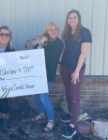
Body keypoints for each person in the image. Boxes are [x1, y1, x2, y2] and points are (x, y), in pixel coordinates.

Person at [59, 10, 92, 138]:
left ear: (79, 19)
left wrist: (77, 71)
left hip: (76, 69)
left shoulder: (85, 32)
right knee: (67, 92)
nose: (72, 20)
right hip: (65, 66)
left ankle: (72, 127)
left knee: (75, 96)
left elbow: (83, 53)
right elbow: (65, 49)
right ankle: (71, 114)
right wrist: (61, 64)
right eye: (70, 18)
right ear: (67, 20)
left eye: (75, 17)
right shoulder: (67, 32)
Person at [30, 23, 64, 131]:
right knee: (35, 95)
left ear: (58, 31)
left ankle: (51, 120)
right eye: (51, 30)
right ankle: (41, 114)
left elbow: (47, 56)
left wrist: (36, 45)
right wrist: (35, 44)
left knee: (44, 98)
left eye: (55, 29)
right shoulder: (44, 40)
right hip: (36, 72)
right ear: (47, 31)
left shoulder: (59, 44)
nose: (53, 31)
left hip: (47, 74)